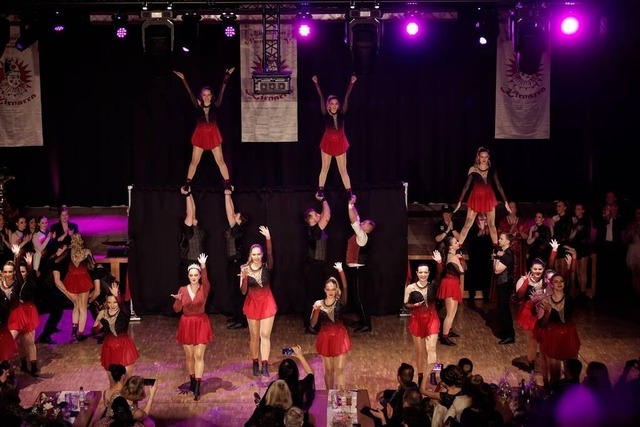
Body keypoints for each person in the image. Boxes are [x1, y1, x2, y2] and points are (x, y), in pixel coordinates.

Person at [173, 68, 235, 192]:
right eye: (204, 95)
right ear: (201, 96)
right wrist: (184, 79)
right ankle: (187, 184)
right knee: (194, 161)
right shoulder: (197, 105)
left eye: (208, 95)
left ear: (211, 96)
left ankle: (227, 184)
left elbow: (222, 90)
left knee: (220, 160)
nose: (206, 97)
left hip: (213, 135)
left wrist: (226, 76)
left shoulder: (216, 104)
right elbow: (190, 92)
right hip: (200, 135)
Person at [171, 253, 212, 401]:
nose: (193, 277)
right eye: (191, 275)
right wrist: (178, 301)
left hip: (201, 323)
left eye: (196, 275)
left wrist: (203, 266)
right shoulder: (182, 290)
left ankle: (198, 386)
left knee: (199, 355)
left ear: (199, 276)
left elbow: (206, 280)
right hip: (187, 324)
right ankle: (193, 380)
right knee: (190, 356)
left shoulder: (204, 288)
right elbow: (176, 309)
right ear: (188, 276)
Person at [311, 74, 357, 199]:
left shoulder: (342, 113)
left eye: (336, 103)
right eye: (332, 103)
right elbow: (321, 97)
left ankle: (349, 193)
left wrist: (351, 83)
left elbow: (347, 97)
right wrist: (316, 84)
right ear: (328, 105)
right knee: (325, 167)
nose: (334, 105)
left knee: (343, 170)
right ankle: (320, 190)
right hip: (327, 142)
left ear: (338, 105)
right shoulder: (325, 114)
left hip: (340, 143)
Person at [240, 226, 277, 377]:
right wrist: (244, 278)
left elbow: (270, 253)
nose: (256, 257)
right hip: (252, 303)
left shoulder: (267, 266)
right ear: (250, 255)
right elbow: (243, 291)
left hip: (267, 302)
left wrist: (268, 238)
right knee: (254, 337)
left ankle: (265, 364)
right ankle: (255, 362)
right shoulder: (245, 268)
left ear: (262, 255)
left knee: (265, 334)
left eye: (258, 254)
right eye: (253, 254)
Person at [454, 147, 510, 246]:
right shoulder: (473, 169)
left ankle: (496, 247)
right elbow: (466, 187)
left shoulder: (492, 170)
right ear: (478, 157)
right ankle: (459, 246)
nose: (484, 159)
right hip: (475, 198)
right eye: (482, 157)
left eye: (486, 157)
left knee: (491, 224)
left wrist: (506, 202)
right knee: (467, 224)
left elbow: (499, 186)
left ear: (488, 157)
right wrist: (459, 202)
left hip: (489, 198)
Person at [537, 272, 581, 389]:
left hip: (568, 336)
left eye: (561, 281)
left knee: (571, 373)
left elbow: (574, 282)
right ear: (551, 285)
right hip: (553, 337)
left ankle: (573, 396)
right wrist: (547, 312)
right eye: (556, 281)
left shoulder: (570, 298)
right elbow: (542, 325)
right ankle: (554, 396)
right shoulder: (546, 301)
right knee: (555, 375)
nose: (559, 283)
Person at [403, 253, 442, 387]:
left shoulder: (433, 285)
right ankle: (420, 377)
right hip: (417, 320)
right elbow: (405, 304)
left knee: (431, 348)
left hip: (432, 319)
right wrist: (414, 305)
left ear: (429, 273)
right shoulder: (410, 287)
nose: (423, 274)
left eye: (425, 272)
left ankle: (432, 374)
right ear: (417, 273)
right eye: (421, 272)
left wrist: (439, 263)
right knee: (420, 351)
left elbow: (440, 274)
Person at [310, 262, 350, 390]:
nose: (331, 292)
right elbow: (312, 324)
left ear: (336, 289)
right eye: (328, 289)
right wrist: (316, 311)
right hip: (325, 338)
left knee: (340, 369)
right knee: (328, 371)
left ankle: (341, 396)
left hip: (340, 337)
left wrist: (341, 271)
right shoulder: (319, 303)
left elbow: (345, 286)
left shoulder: (340, 302)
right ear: (325, 290)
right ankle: (329, 396)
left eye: (333, 289)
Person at [93, 282, 139, 383]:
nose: (112, 305)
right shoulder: (103, 313)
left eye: (115, 302)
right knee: (113, 382)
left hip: (124, 347)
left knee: (127, 380)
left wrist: (116, 295)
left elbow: (123, 305)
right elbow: (93, 332)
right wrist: (99, 325)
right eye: (109, 302)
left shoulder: (124, 312)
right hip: (109, 347)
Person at [345, 195, 376, 332]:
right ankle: (363, 321)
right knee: (357, 298)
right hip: (356, 271)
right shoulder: (361, 235)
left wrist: (349, 205)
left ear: (368, 228)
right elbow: (356, 218)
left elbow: (354, 220)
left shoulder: (362, 236)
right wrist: (353, 204)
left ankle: (366, 325)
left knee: (359, 298)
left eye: (365, 223)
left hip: (358, 272)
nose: (362, 222)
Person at [8, 246, 40, 376]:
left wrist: (29, 265)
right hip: (18, 312)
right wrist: (16, 258)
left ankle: (34, 366)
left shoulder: (31, 281)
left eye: (23, 271)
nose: (21, 273)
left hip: (29, 312)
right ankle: (23, 363)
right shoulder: (16, 283)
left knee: (29, 340)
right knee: (20, 342)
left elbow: (31, 277)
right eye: (19, 271)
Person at [302, 193, 331, 335]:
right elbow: (327, 216)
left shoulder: (316, 230)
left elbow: (325, 215)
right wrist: (323, 200)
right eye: (315, 214)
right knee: (313, 297)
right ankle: (310, 326)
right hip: (314, 266)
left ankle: (313, 324)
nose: (319, 214)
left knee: (316, 296)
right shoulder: (314, 230)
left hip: (318, 266)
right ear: (311, 219)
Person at [59, 233, 94, 341]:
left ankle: (74, 331)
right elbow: (92, 266)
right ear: (82, 241)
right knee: (83, 309)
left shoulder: (69, 251)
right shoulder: (86, 252)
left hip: (72, 280)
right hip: (83, 280)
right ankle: (80, 334)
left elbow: (57, 260)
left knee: (76, 306)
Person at [224, 189, 249, 330]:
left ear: (240, 220)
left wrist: (226, 194)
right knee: (233, 292)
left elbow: (229, 212)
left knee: (238, 293)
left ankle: (241, 320)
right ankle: (236, 316)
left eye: (237, 215)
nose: (234, 215)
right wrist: (229, 192)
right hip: (232, 264)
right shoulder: (236, 228)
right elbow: (231, 210)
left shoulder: (237, 229)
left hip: (236, 264)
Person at [365, 363, 419, 427]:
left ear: (399, 377)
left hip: (391, 422)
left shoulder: (398, 401)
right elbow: (398, 392)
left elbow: (389, 418)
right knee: (382, 400)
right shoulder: (413, 388)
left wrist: (365, 409)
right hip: (398, 417)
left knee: (368, 413)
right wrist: (385, 392)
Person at [437, 236, 465, 346]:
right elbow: (462, 270)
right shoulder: (453, 257)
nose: (458, 243)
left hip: (451, 283)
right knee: (450, 313)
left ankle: (448, 330)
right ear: (450, 247)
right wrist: (461, 259)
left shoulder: (451, 255)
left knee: (453, 311)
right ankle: (444, 337)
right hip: (450, 284)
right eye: (455, 242)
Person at [493, 232, 516, 345]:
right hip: (502, 283)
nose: (499, 240)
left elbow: (497, 270)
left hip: (505, 284)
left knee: (504, 308)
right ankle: (506, 331)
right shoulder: (504, 253)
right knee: (501, 308)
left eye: (501, 238)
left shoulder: (507, 255)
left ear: (508, 241)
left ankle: (510, 335)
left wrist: (496, 257)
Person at [178, 187, 206, 276]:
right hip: (188, 263)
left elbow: (193, 209)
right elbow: (190, 212)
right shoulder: (187, 230)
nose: (193, 216)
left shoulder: (196, 228)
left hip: (198, 263)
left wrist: (189, 193)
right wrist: (187, 195)